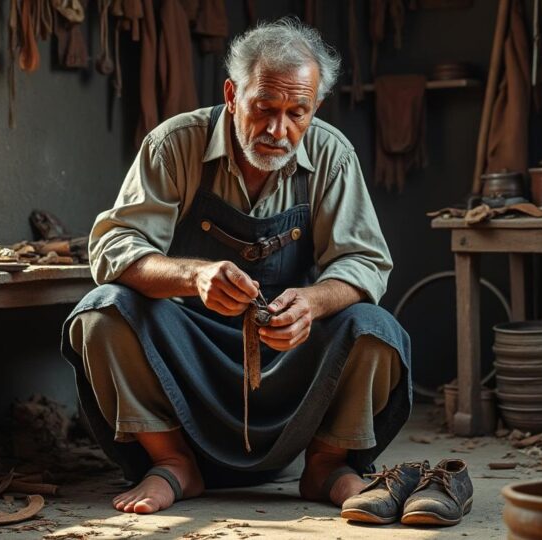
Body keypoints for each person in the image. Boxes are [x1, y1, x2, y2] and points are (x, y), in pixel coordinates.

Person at [62, 17, 411, 515]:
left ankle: (327, 466)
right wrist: (194, 276)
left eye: (296, 113)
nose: (278, 130)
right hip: (188, 350)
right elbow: (113, 247)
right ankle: (172, 462)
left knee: (375, 328)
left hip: (289, 356)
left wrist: (311, 303)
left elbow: (365, 260)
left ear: (315, 107)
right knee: (102, 312)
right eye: (264, 108)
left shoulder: (332, 155)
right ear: (232, 94)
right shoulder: (174, 144)